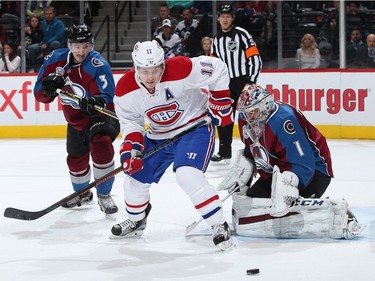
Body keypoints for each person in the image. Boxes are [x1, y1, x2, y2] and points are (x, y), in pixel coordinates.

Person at [111, 40, 234, 250]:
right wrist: (131, 151)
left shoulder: (181, 67)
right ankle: (136, 220)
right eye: (144, 71)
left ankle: (218, 224)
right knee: (134, 178)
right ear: (136, 68)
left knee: (187, 174)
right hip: (159, 135)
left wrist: (219, 100)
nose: (150, 77)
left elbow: (218, 68)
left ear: (163, 65)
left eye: (155, 70)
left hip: (194, 127)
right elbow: (131, 122)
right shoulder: (125, 89)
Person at [218, 84, 365, 239]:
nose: (249, 117)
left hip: (314, 171)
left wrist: (288, 186)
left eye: (253, 112)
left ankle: (338, 213)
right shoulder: (244, 119)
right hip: (276, 171)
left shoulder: (284, 120)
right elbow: (252, 148)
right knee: (253, 203)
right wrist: (246, 168)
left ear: (265, 106)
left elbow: (304, 163)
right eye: (246, 113)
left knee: (287, 207)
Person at [33, 24, 120, 216]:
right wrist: (47, 88)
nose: (81, 51)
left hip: (101, 117)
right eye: (77, 46)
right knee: (75, 160)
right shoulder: (54, 60)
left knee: (101, 144)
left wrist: (97, 102)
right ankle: (82, 193)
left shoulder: (98, 65)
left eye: (86, 46)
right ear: (69, 45)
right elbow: (39, 95)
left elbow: (108, 97)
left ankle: (104, 195)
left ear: (91, 45)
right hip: (75, 120)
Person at [210, 4, 262, 164]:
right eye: (222, 16)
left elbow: (255, 59)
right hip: (224, 83)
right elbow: (212, 64)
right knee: (224, 116)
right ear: (218, 19)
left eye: (228, 16)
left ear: (232, 18)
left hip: (243, 81)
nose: (225, 19)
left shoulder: (242, 34)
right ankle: (225, 152)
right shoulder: (216, 40)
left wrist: (250, 82)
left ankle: (258, 150)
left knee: (252, 118)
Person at [27, 6, 65, 71]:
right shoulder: (43, 23)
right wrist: (29, 29)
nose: (48, 15)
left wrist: (47, 44)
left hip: (55, 44)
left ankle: (52, 66)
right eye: (46, 14)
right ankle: (34, 66)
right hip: (43, 43)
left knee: (55, 43)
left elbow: (58, 36)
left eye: (50, 13)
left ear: (54, 14)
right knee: (32, 48)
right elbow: (37, 30)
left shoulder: (59, 24)